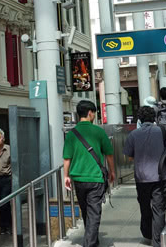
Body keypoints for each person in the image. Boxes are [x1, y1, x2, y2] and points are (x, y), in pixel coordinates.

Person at [63, 100, 115, 247]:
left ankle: (92, 240)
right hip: (95, 178)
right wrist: (112, 171)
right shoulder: (98, 131)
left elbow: (67, 157)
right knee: (94, 212)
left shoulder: (71, 134)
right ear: (90, 113)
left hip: (78, 178)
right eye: (94, 113)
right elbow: (109, 154)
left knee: (86, 210)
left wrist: (66, 176)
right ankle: (90, 243)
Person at [123, 106, 166, 247]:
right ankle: (158, 241)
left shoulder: (133, 135)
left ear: (139, 119)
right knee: (159, 209)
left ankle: (147, 233)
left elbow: (128, 157)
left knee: (144, 206)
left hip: (141, 177)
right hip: (160, 176)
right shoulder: (163, 132)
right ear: (154, 118)